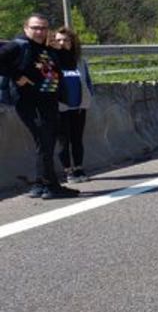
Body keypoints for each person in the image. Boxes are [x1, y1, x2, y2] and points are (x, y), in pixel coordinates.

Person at [0, 13, 78, 199]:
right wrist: (16, 75)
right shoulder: (19, 46)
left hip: (49, 102)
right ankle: (50, 186)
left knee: (45, 143)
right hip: (29, 102)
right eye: (35, 27)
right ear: (26, 28)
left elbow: (69, 64)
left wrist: (63, 47)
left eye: (43, 28)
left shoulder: (46, 48)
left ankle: (39, 185)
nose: (39, 31)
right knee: (45, 141)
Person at [53, 27, 94, 184]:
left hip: (79, 106)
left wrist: (88, 98)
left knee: (77, 139)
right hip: (60, 107)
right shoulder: (52, 61)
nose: (62, 43)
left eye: (66, 40)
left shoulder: (80, 62)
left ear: (73, 43)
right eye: (59, 40)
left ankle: (79, 168)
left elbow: (88, 82)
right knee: (64, 141)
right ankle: (68, 171)